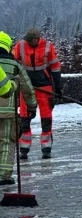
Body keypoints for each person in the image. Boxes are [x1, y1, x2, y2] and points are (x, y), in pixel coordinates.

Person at [12, 28, 62, 159]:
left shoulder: (47, 46)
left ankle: (46, 148)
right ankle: (24, 148)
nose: (28, 42)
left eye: (31, 40)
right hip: (27, 88)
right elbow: (14, 63)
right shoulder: (20, 46)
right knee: (24, 118)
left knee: (46, 119)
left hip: (45, 88)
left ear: (37, 38)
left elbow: (55, 67)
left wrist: (58, 86)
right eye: (27, 40)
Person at [0, 31, 37, 185]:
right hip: (7, 113)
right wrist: (32, 106)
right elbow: (27, 87)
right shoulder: (15, 65)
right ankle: (3, 175)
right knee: (7, 142)